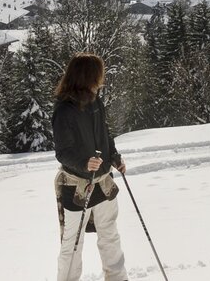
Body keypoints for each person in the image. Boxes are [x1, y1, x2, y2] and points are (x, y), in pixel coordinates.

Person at [53, 53, 129, 281]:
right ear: (87, 76)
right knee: (72, 244)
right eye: (98, 74)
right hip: (76, 186)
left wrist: (114, 156)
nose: (101, 78)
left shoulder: (96, 101)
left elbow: (105, 134)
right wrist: (84, 163)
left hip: (103, 182)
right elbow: (63, 152)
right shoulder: (64, 110)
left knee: (110, 236)